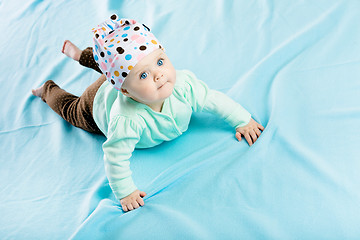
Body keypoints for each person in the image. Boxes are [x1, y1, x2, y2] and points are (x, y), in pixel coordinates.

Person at [32, 14, 265, 212]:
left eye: (161, 62)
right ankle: (47, 90)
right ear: (125, 92)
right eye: (145, 75)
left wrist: (242, 120)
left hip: (121, 78)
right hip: (95, 105)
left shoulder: (183, 85)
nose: (159, 75)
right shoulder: (127, 121)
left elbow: (214, 100)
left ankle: (82, 55)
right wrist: (126, 192)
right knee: (70, 108)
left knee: (117, 61)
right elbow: (115, 156)